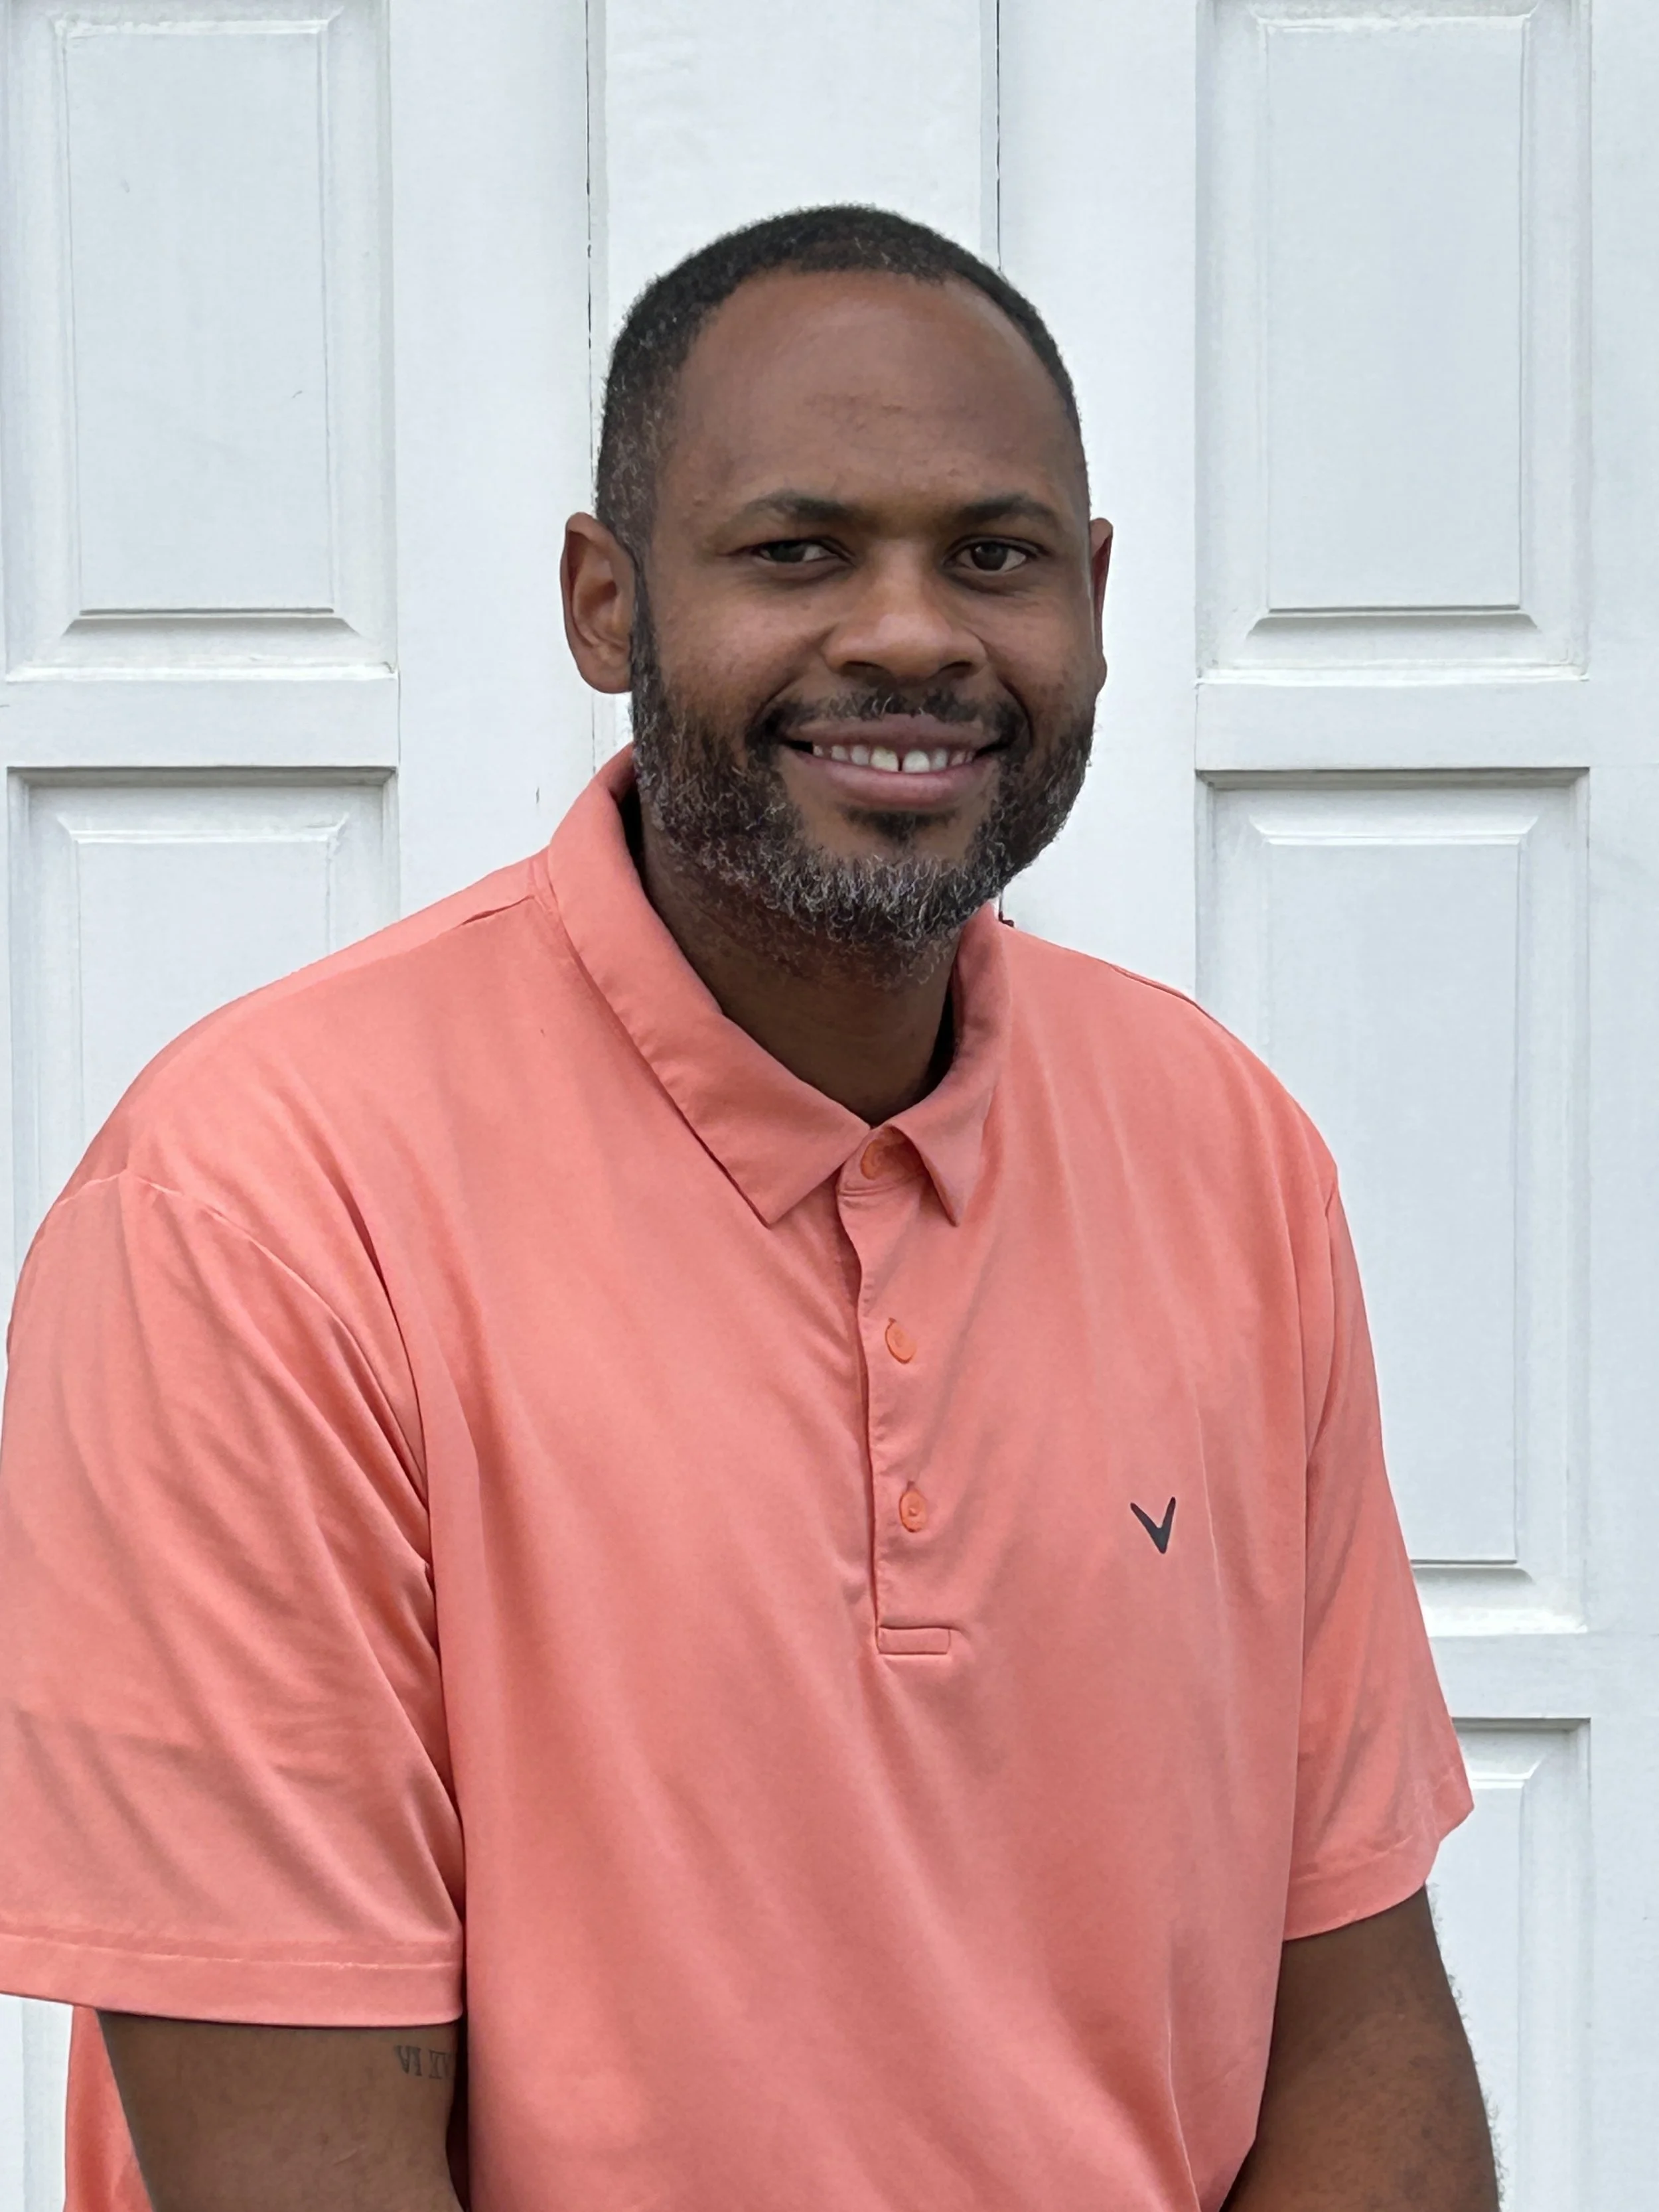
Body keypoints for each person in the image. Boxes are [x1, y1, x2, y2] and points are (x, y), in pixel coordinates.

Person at [0, 205, 1496, 2212]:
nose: (912, 634)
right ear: (603, 604)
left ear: (1096, 596)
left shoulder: (1228, 1153)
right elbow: (293, 2158)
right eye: (799, 551)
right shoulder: (256, 1208)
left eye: (994, 555)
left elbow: (1352, 2011)